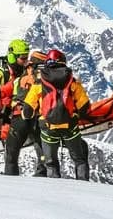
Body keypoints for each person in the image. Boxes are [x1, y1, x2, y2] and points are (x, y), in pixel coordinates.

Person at [21, 49, 91, 181]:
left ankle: (55, 191)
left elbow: (27, 110)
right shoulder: (72, 81)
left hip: (48, 127)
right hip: (70, 126)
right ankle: (83, 183)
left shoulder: (39, 81)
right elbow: (85, 106)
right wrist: (77, 115)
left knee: (50, 162)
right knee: (79, 160)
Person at [2, 49, 48, 177]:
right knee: (41, 150)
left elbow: (2, 92)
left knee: (11, 153)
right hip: (40, 118)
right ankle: (43, 176)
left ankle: (11, 181)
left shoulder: (22, 75)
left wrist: (2, 114)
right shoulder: (48, 77)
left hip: (20, 116)